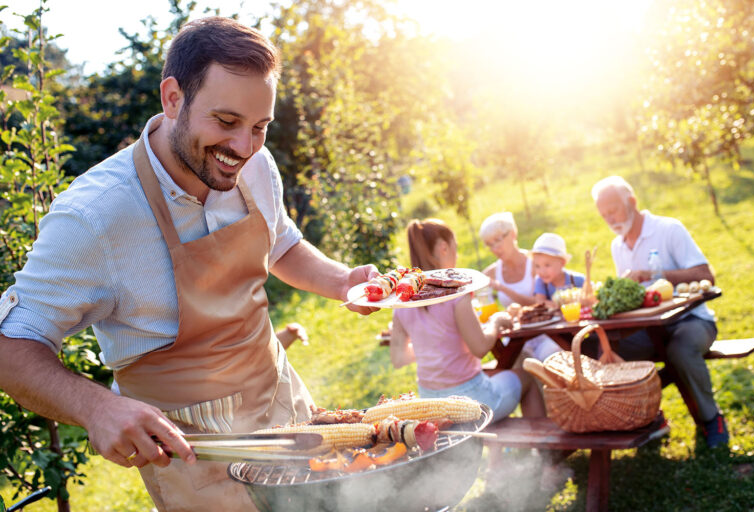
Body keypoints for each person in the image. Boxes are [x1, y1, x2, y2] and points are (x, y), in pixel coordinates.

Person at [0, 17, 379, 511]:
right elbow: (11, 346)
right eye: (226, 122)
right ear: (173, 97)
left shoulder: (255, 165)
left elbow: (281, 243)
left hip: (289, 413)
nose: (243, 148)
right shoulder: (93, 216)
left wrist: (342, 280)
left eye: (259, 127)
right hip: (194, 458)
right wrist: (97, 406)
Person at [591, 175, 727, 448]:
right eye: (604, 215)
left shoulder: (668, 229)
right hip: (650, 328)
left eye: (614, 210)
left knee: (680, 350)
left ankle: (712, 420)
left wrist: (654, 274)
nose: (610, 219)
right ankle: (648, 420)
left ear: (632, 201)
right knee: (604, 353)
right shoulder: (618, 246)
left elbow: (705, 275)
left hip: (692, 321)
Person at [388, 219, 561, 424]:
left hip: (430, 403)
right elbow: (479, 348)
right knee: (525, 375)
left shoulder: (402, 299)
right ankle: (545, 453)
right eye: (455, 248)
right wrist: (496, 322)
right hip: (471, 400)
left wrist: (433, 346)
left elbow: (398, 358)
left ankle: (501, 455)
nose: (456, 254)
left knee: (500, 371)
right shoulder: (455, 293)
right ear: (444, 248)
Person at [479, 212, 539, 309]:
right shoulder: (491, 273)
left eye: (497, 240)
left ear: (513, 234)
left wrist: (502, 288)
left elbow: (539, 303)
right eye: (489, 245)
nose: (494, 249)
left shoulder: (535, 264)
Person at [530, 232, 586, 307]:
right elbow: (540, 301)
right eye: (537, 266)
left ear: (562, 263)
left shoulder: (578, 280)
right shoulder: (540, 281)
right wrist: (558, 306)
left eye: (547, 265)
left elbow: (591, 297)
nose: (542, 271)